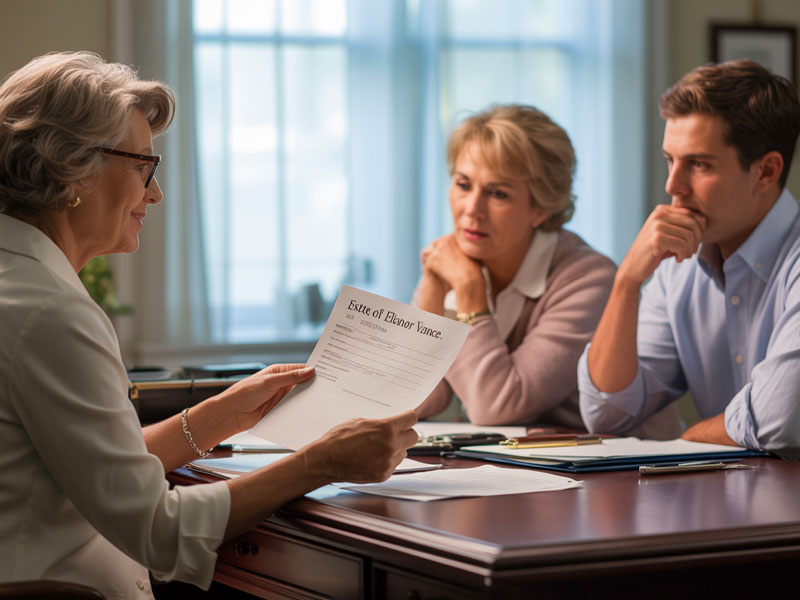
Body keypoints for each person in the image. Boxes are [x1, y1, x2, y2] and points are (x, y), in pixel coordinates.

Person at [0, 51, 418, 598]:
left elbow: (89, 467)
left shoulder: (21, 283)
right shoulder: (52, 312)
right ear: (69, 165)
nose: (155, 193)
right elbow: (158, 529)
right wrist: (320, 463)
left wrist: (216, 419)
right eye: (143, 165)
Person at [578, 59, 800, 457]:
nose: (672, 186)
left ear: (766, 171)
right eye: (670, 160)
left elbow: (777, 422)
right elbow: (607, 414)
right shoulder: (677, 269)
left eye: (698, 164)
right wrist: (627, 283)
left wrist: (682, 443)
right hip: (733, 507)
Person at [414, 104, 628, 430]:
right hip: (518, 469)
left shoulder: (588, 278)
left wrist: (470, 292)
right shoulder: (453, 260)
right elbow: (418, 399)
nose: (472, 210)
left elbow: (497, 407)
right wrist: (432, 291)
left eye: (497, 193)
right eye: (463, 184)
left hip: (626, 471)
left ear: (540, 209)